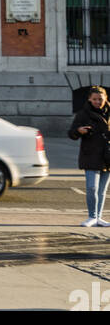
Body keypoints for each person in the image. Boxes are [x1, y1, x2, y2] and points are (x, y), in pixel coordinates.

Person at [68, 85, 110, 227]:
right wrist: (79, 131)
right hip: (91, 155)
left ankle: (99, 217)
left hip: (108, 156)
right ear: (89, 99)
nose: (98, 102)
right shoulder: (83, 114)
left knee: (102, 190)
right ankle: (92, 216)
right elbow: (71, 133)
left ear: (106, 98)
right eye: (95, 99)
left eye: (100, 99)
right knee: (92, 187)